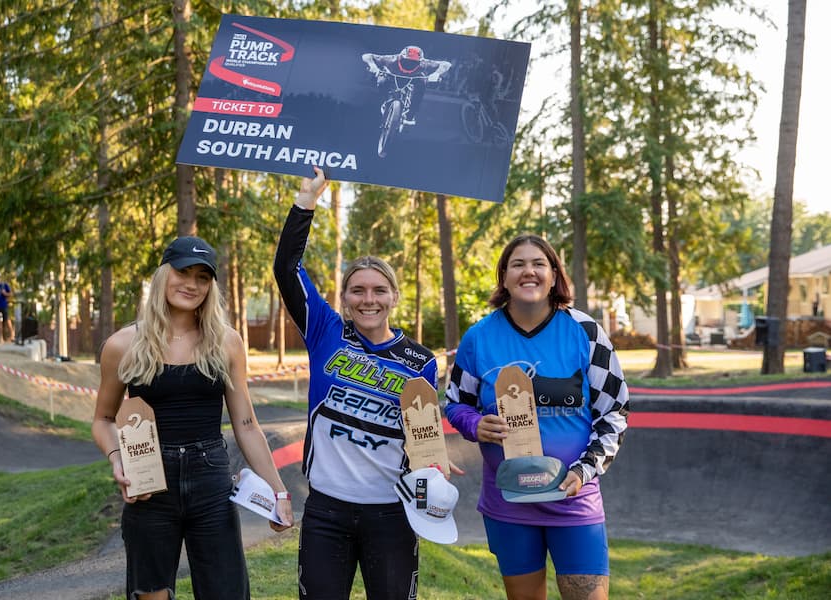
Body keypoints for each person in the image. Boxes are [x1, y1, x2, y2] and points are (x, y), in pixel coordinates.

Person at [91, 236, 293, 600]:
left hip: (211, 481)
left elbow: (246, 425)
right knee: (151, 595)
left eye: (203, 277)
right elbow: (103, 419)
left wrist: (279, 491)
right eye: (183, 272)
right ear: (163, 275)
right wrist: (117, 459)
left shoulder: (226, 342)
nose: (192, 284)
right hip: (150, 484)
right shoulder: (123, 345)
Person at [274, 167, 441, 600]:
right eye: (357, 290)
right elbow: (286, 268)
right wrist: (306, 201)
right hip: (326, 510)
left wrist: (434, 463)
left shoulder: (420, 362)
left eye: (379, 290)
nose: (368, 299)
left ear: (394, 297)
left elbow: (421, 440)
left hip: (392, 513)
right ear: (344, 298)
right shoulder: (326, 332)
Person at [444, 234, 630, 600]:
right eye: (518, 264)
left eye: (538, 264)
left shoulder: (586, 332)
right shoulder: (479, 337)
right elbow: (455, 402)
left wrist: (584, 470)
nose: (528, 272)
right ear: (504, 276)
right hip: (508, 502)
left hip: (573, 498)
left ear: (554, 274)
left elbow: (614, 413)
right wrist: (474, 424)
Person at [362, 45, 452, 126]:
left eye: (414, 62)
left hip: (414, 78)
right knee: (381, 81)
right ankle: (385, 100)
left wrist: (437, 73)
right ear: (400, 57)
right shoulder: (391, 59)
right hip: (392, 76)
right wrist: (372, 65)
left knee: (422, 84)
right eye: (406, 61)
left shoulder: (424, 64)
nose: (410, 64)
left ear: (420, 61)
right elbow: (367, 56)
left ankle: (410, 115)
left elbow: (447, 64)